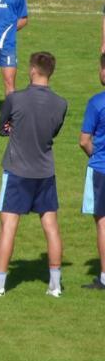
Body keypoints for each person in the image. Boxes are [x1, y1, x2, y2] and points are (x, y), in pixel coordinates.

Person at [0, 52, 67, 298]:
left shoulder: (15, 99)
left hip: (17, 171)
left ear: (33, 70)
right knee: (51, 227)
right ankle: (55, 285)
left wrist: (14, 128)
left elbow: (2, 129)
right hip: (45, 171)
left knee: (8, 226)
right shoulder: (61, 103)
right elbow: (53, 131)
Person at [78, 53, 105, 290]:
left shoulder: (97, 103)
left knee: (103, 223)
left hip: (101, 169)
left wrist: (95, 156)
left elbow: (84, 140)